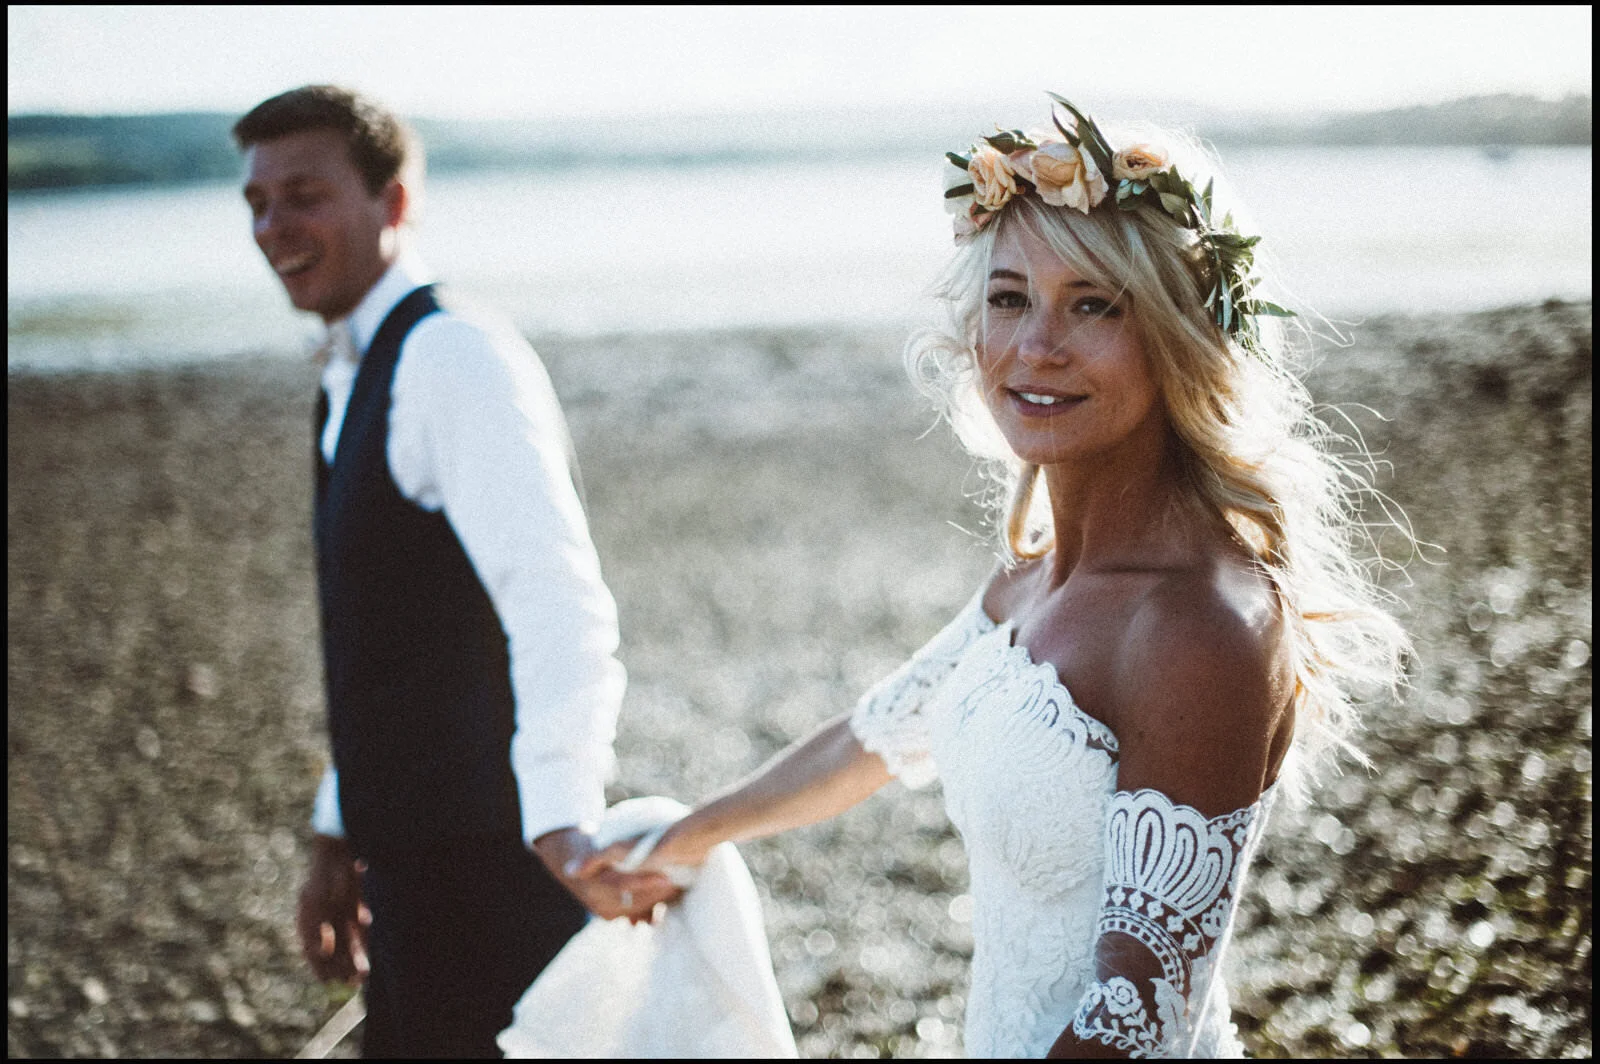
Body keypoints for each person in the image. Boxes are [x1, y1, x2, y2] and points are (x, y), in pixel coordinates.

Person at [578, 93, 1410, 1057]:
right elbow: (872, 739)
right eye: (1009, 298)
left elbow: (1136, 1023)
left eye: (1093, 304)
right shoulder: (1036, 575)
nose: (1034, 347)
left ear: (1180, 336)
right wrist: (675, 844)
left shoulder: (1198, 626)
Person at [233, 85, 677, 1057]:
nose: (273, 227)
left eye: (303, 194)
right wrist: (335, 826)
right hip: (409, 868)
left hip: (494, 870)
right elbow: (388, 635)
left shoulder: (452, 356)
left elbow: (557, 596)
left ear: (393, 202)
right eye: (258, 203)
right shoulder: (350, 375)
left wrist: (562, 824)